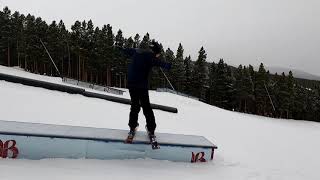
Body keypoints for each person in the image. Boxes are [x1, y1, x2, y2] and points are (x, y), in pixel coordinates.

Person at [119, 41, 171, 140]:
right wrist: (169, 65)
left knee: (135, 105)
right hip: (141, 86)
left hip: (131, 84)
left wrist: (120, 48)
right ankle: (151, 129)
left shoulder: (136, 51)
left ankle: (132, 126)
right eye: (158, 54)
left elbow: (126, 50)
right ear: (155, 51)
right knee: (146, 107)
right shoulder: (151, 57)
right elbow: (163, 64)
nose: (157, 56)